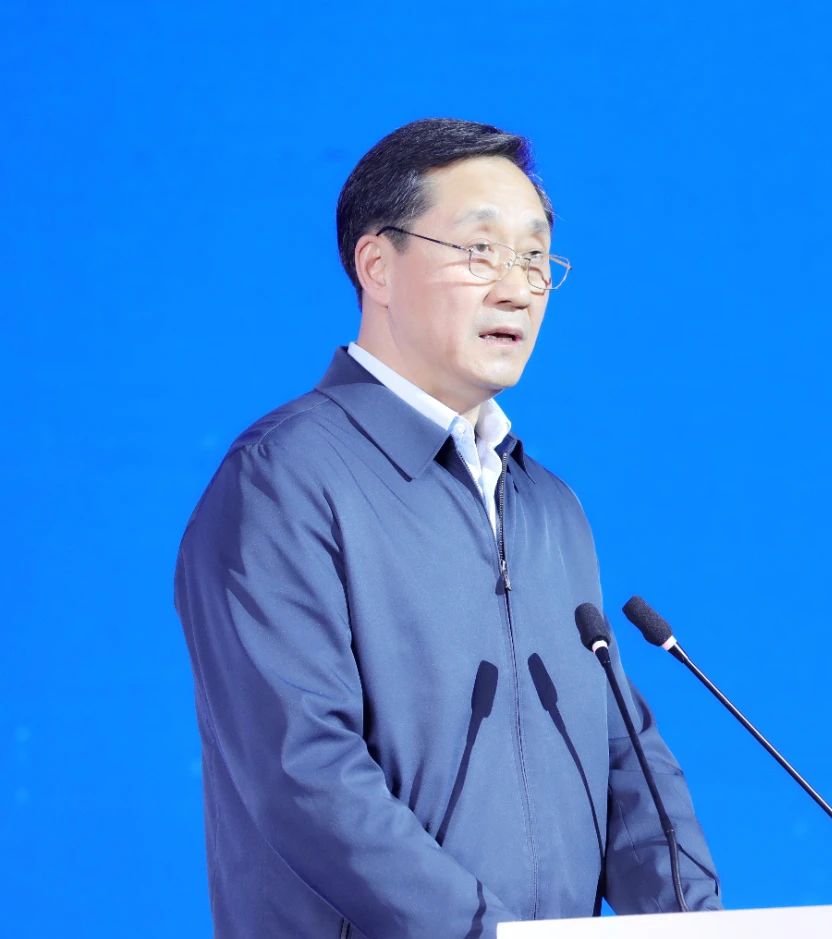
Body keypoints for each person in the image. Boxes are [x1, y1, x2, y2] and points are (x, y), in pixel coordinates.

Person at [174, 118, 720, 939]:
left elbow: (626, 761)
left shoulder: (549, 507)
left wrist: (696, 926)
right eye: (481, 250)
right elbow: (306, 774)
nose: (518, 286)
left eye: (535, 257)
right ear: (378, 266)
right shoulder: (283, 481)